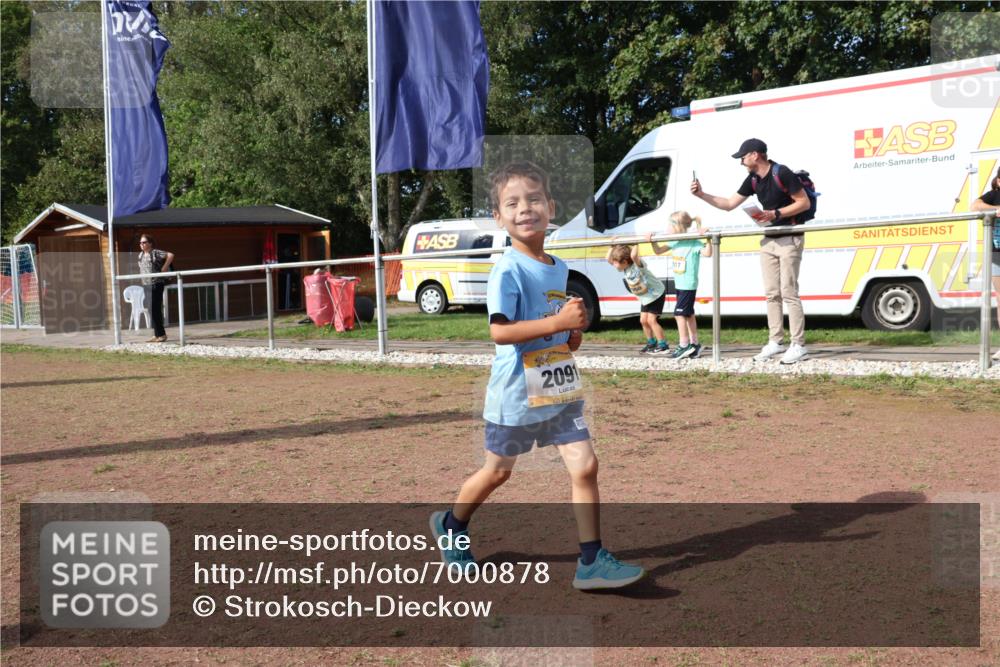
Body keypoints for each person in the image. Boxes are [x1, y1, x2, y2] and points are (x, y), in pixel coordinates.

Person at [430, 161, 645, 591]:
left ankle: (591, 561)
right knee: (497, 472)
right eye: (512, 203)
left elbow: (554, 325)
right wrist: (556, 325)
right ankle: (451, 523)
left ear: (550, 207)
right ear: (499, 217)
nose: (524, 208)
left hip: (557, 386)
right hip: (514, 393)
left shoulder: (558, 267)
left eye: (533, 200)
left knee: (585, 465)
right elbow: (500, 331)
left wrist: (570, 333)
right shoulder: (507, 269)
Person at [691, 138, 811, 364]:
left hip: (790, 237)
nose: (741, 162)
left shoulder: (782, 172)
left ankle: (798, 345)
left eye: (743, 157)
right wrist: (701, 195)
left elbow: (803, 203)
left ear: (756, 155)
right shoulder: (753, 179)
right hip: (769, 239)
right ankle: (775, 341)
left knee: (789, 291)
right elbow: (728, 204)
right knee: (771, 293)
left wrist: (775, 214)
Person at [646, 211, 713, 359]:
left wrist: (708, 238)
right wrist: (652, 241)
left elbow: (708, 253)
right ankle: (694, 344)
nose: (667, 227)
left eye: (670, 224)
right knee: (688, 314)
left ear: (678, 226)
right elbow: (658, 251)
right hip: (680, 284)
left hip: (688, 284)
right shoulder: (675, 241)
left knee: (679, 314)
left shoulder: (693, 242)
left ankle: (684, 345)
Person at [605, 238, 669, 354]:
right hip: (645, 298)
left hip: (656, 294)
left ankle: (663, 344)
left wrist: (635, 242)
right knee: (643, 320)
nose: (613, 265)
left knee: (651, 320)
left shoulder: (637, 265)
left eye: (615, 263)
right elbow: (608, 259)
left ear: (624, 262)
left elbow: (634, 255)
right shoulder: (624, 268)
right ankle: (651, 342)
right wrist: (612, 245)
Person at [971, 165, 1000, 360]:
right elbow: (974, 206)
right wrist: (996, 210)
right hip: (997, 255)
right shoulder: (994, 196)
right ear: (998, 181)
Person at [137, 234, 174, 343]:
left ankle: (161, 335)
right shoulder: (140, 255)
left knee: (155, 308)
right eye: (140, 243)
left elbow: (171, 255)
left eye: (144, 242)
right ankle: (157, 334)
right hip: (146, 284)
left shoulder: (156, 252)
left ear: (150, 243)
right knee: (150, 309)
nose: (142, 244)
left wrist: (164, 268)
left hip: (156, 283)